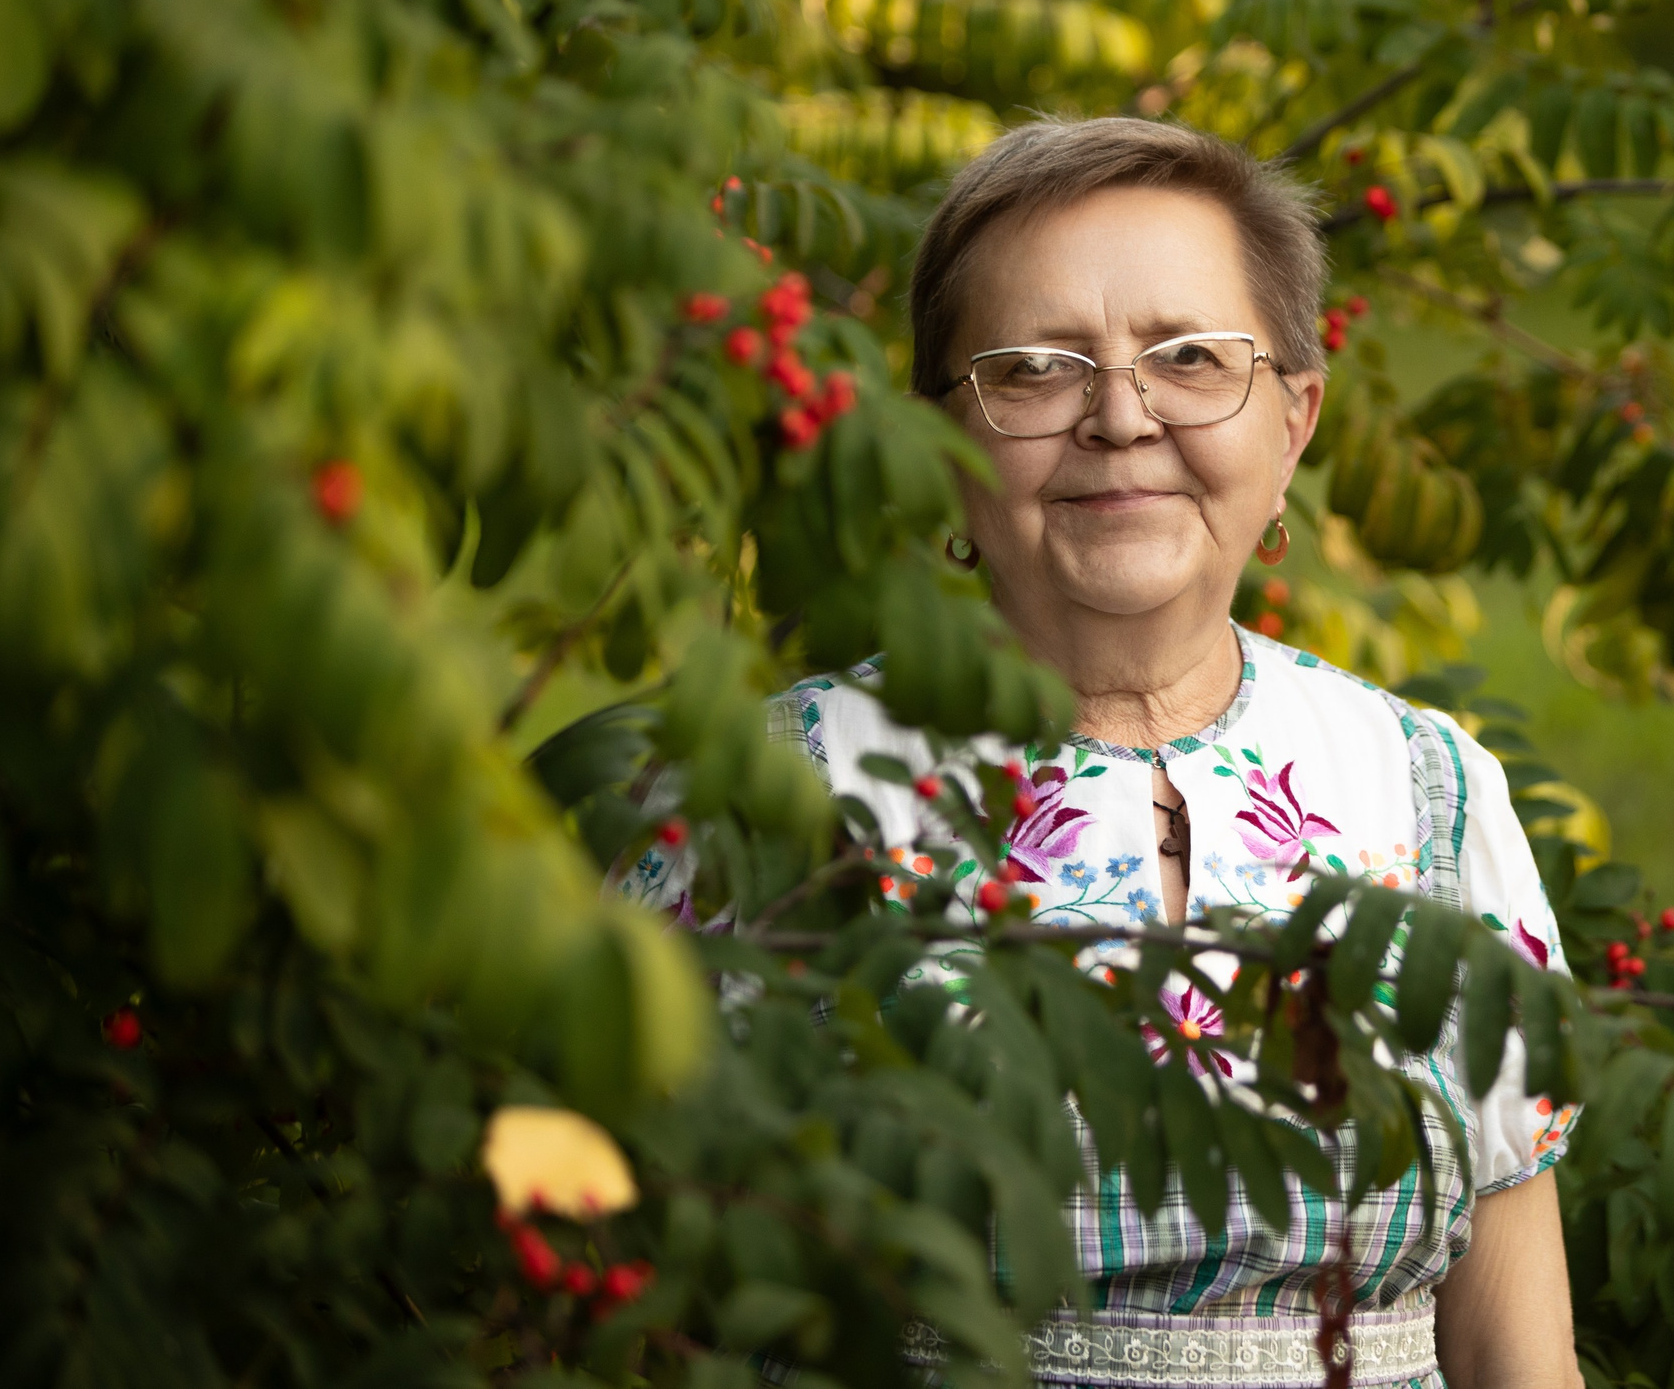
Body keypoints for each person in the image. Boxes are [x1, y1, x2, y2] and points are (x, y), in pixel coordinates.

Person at [623, 118, 1582, 1388]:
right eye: (1033, 370)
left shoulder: (1429, 786)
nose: (1120, 418)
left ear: (1294, 423)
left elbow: (1518, 1356)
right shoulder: (773, 788)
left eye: (1190, 358)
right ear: (945, 444)